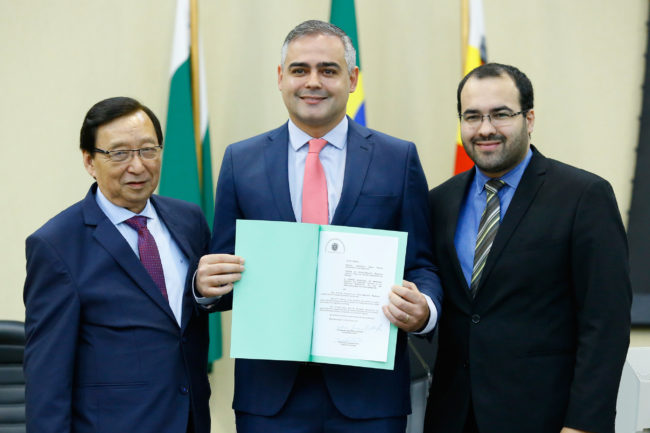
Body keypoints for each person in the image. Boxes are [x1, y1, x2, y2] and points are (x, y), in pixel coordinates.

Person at [195, 20, 443, 433]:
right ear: (280, 78)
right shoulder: (241, 162)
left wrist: (424, 311)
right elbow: (223, 272)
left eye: (328, 70)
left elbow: (422, 265)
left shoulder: (397, 159)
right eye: (299, 70)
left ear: (353, 79)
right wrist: (206, 287)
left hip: (370, 397)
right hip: (270, 399)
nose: (313, 82)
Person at [424, 63, 632, 433]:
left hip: (546, 419)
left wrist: (584, 424)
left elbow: (606, 323)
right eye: (472, 116)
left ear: (529, 118)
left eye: (501, 114)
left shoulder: (583, 196)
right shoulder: (439, 202)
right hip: (453, 417)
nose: (485, 128)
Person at [23, 97, 212, 433]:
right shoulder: (56, 245)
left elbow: (189, 316)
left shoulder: (189, 220)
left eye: (148, 150)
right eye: (120, 153)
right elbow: (47, 375)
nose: (137, 166)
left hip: (189, 420)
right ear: (89, 161)